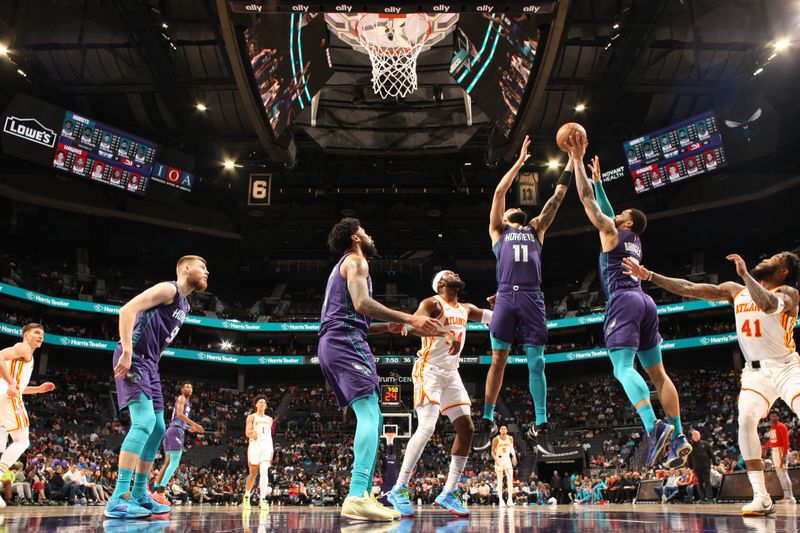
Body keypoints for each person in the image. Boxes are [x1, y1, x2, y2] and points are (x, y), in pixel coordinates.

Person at [622, 250, 800, 517]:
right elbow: (691, 288)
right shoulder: (734, 290)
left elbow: (768, 305)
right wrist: (649, 276)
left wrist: (746, 275)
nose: (764, 259)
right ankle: (761, 496)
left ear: (784, 271)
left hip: (786, 367)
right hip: (755, 373)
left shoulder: (789, 293)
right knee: (746, 420)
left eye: (773, 259)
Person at [567, 139, 692, 471]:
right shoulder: (633, 240)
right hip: (646, 302)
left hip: (623, 301)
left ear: (627, 223)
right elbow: (607, 208)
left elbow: (587, 201)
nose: (615, 215)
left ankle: (654, 427)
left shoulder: (611, 231)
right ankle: (678, 436)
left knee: (622, 368)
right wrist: (600, 181)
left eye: (621, 215)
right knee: (659, 374)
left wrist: (577, 162)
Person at [319, 218, 439, 521]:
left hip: (335, 341)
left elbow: (348, 314)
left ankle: (362, 494)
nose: (370, 236)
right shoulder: (357, 261)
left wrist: (386, 325)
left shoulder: (342, 267)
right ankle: (357, 493)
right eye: (366, 231)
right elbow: (361, 304)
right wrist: (410, 319)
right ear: (356, 237)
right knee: (372, 413)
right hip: (344, 342)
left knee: (370, 412)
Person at [475, 134, 572, 454]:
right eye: (510, 208)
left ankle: (541, 421)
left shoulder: (537, 228)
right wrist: (519, 162)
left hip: (532, 296)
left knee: (537, 361)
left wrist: (572, 160)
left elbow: (557, 198)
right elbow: (501, 191)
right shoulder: (497, 231)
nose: (514, 205)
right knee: (498, 359)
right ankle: (487, 419)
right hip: (506, 295)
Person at [104, 255, 208, 519]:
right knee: (144, 423)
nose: (207, 271)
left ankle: (140, 493)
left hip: (150, 364)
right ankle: (119, 497)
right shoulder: (168, 289)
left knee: (159, 427)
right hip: (135, 357)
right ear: (186, 268)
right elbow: (127, 310)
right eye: (202, 267)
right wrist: (127, 351)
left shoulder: (184, 305)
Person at [387, 270, 492, 517]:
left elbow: (496, 319)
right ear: (442, 284)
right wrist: (443, 333)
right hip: (429, 371)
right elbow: (414, 325)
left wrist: (499, 306)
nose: (456, 274)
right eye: (450, 274)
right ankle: (399, 488)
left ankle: (448, 492)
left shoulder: (466, 308)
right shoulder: (432, 303)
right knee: (426, 427)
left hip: (451, 372)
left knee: (467, 428)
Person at [0, 323, 54, 508]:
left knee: (5, 444)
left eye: (43, 334)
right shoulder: (23, 347)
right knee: (22, 441)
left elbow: (20, 388)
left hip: (5, 393)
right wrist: (11, 383)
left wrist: (37, 389)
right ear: (26, 335)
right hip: (7, 394)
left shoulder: (26, 355)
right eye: (37, 332)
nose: (41, 336)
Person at [152, 381, 204, 506]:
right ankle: (160, 492)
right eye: (186, 386)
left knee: (167, 463)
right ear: (182, 389)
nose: (189, 388)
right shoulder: (181, 398)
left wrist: (187, 427)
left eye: (191, 386)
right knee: (174, 463)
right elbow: (180, 415)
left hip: (172, 429)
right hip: (175, 431)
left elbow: (177, 418)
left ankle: (155, 490)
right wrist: (194, 424)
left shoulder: (186, 401)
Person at [243, 396, 273, 511]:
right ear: (256, 405)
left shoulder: (269, 419)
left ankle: (263, 499)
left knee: (264, 470)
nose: (262, 403)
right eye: (260, 402)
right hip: (255, 446)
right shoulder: (251, 417)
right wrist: (252, 433)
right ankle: (246, 496)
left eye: (264, 402)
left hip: (266, 446)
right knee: (253, 474)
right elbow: (247, 432)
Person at [765, 409, 795, 503]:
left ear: (778, 417)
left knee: (784, 474)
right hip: (774, 451)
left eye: (774, 416)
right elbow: (771, 440)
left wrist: (785, 454)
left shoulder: (781, 426)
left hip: (781, 450)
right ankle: (786, 497)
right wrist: (765, 447)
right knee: (780, 475)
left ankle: (790, 497)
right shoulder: (772, 427)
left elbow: (786, 442)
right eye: (771, 416)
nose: (772, 417)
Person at [492, 426, 517, 507]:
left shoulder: (510, 438)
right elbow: (492, 452)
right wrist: (496, 460)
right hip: (499, 459)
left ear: (507, 430)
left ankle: (510, 499)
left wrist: (514, 456)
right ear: (499, 430)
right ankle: (501, 500)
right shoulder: (496, 439)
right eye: (502, 429)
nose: (503, 430)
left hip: (507, 459)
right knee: (500, 480)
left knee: (510, 479)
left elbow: (511, 448)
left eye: (505, 429)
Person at [688, 429, 714, 503]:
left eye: (697, 435)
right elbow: (689, 458)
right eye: (694, 435)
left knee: (707, 482)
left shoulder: (705, 443)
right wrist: (691, 468)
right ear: (692, 437)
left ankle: (709, 498)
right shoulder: (690, 446)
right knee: (700, 483)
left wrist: (715, 463)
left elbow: (711, 454)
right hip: (696, 468)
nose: (696, 436)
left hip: (706, 466)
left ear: (700, 436)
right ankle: (702, 498)